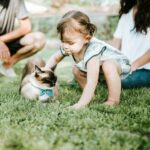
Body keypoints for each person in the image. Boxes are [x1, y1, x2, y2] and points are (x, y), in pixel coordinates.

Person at [44, 10, 131, 109]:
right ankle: (91, 96)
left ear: (87, 39)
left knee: (108, 66)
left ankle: (113, 100)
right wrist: (46, 70)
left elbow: (91, 81)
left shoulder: (93, 51)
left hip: (118, 64)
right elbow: (55, 58)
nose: (65, 46)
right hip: (100, 66)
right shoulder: (68, 45)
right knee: (76, 70)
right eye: (63, 41)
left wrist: (80, 104)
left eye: (70, 43)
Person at [109, 0, 150, 88]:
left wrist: (133, 66)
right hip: (126, 66)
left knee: (120, 81)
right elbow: (115, 44)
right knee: (104, 71)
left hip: (145, 69)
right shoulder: (126, 14)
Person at [0, 0, 46, 77]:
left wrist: (1, 40)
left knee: (39, 39)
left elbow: (26, 27)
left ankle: (7, 65)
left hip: (6, 42)